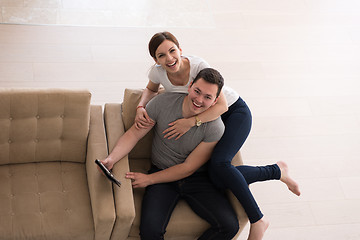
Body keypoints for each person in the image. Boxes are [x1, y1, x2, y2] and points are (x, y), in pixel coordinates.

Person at [134, 31, 301, 240]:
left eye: (172, 50)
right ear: (155, 60)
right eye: (161, 55)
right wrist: (141, 106)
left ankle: (258, 219)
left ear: (180, 49)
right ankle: (276, 171)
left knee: (219, 166)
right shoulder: (158, 72)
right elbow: (150, 89)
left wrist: (190, 122)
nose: (169, 58)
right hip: (207, 116)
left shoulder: (199, 66)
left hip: (231, 112)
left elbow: (220, 104)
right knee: (217, 177)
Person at [102, 68, 240, 239]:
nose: (199, 100)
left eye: (207, 97)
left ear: (215, 101)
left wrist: (148, 179)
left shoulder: (216, 128)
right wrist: (111, 158)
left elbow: (188, 168)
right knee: (150, 232)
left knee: (229, 226)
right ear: (190, 86)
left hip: (196, 179)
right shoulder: (163, 103)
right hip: (161, 173)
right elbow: (134, 134)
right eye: (197, 91)